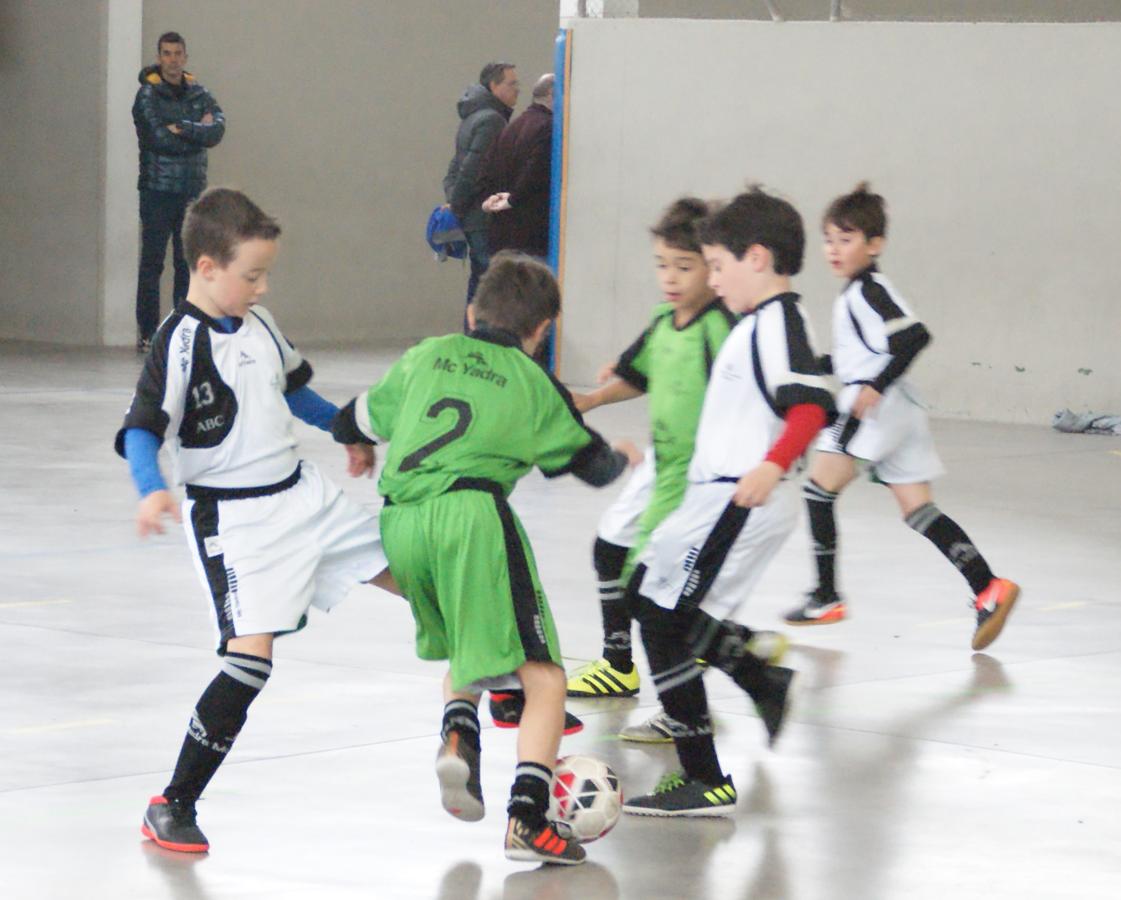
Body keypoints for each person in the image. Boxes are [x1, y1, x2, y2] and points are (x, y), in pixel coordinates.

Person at [331, 252, 637, 864]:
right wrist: (624, 455)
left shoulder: (427, 354)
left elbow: (350, 419)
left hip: (400, 522)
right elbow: (589, 465)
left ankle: (458, 737)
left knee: (469, 646)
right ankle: (527, 819)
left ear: (472, 311)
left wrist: (361, 448)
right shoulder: (531, 381)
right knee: (545, 675)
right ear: (541, 330)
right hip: (472, 518)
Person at [116, 188, 397, 853]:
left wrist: (346, 431)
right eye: (251, 274)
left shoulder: (262, 324)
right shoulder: (178, 342)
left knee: (420, 577)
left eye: (265, 273)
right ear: (206, 267)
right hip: (236, 523)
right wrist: (151, 489)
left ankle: (494, 693)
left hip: (304, 496)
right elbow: (139, 429)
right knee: (249, 663)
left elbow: (294, 391)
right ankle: (173, 803)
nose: (262, 285)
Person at [621, 187, 836, 817]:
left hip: (739, 498)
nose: (712, 282)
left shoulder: (782, 323)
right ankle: (761, 679)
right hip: (714, 498)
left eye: (718, 266)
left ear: (759, 259)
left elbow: (808, 403)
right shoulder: (758, 324)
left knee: (663, 620)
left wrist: (773, 462)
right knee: (649, 601)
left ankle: (704, 776)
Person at [784, 182, 1020, 650]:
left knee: (817, 489)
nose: (834, 249)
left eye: (846, 239)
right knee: (919, 510)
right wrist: (819, 366)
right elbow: (865, 354)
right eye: (829, 239)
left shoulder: (868, 291)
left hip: (876, 410)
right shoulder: (861, 292)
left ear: (875, 245)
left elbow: (913, 337)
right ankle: (988, 587)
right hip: (901, 412)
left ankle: (826, 596)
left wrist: (873, 385)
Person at [132, 31, 225, 353]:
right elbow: (157, 138)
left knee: (187, 264)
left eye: (177, 53)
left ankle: (183, 332)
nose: (172, 59)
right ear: (159, 57)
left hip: (191, 192)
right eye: (166, 53)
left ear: (185, 56)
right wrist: (196, 130)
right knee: (152, 263)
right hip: (157, 191)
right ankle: (147, 333)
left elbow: (217, 131)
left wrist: (184, 127)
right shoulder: (146, 96)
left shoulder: (200, 93)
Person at [443, 62, 518, 317]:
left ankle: (472, 337)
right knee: (492, 285)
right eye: (511, 83)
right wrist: (458, 205)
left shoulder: (472, 117)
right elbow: (473, 169)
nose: (517, 89)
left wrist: (454, 200)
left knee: (478, 282)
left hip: (471, 215)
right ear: (494, 86)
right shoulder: (492, 121)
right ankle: (484, 340)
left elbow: (456, 167)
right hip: (483, 217)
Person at [479, 74, 555, 259]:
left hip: (501, 236)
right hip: (532, 235)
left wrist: (494, 198)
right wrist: (513, 200)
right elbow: (536, 170)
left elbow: (486, 168)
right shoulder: (548, 127)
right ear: (552, 94)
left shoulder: (511, 127)